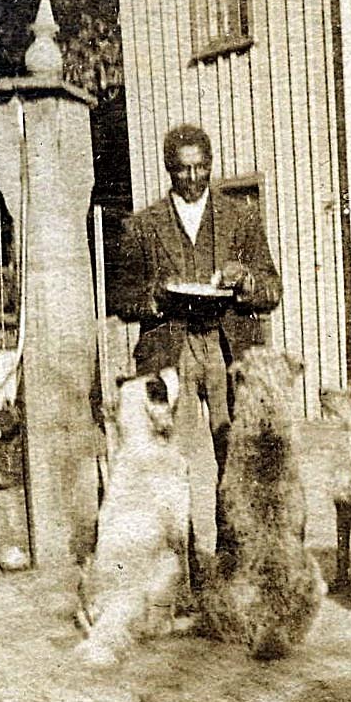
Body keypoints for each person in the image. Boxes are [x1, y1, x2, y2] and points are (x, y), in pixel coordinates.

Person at [113, 124, 282, 514]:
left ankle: (232, 550)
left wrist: (246, 280)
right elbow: (122, 299)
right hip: (173, 347)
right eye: (182, 170)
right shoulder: (142, 226)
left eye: (200, 168)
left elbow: (272, 290)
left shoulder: (241, 217)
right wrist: (155, 294)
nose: (192, 178)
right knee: (177, 458)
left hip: (229, 347)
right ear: (169, 169)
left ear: (211, 165)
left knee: (237, 453)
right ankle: (188, 566)